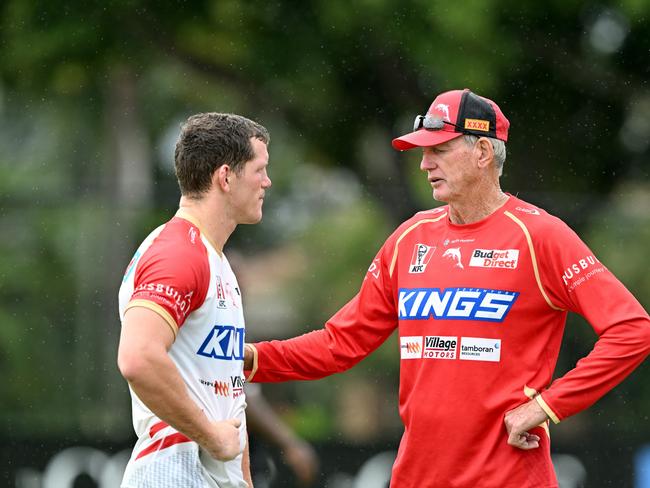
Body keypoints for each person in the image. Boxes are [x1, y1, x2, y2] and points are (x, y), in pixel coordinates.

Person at [243, 89, 650, 487]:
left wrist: (547, 406)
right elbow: (339, 344)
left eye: (438, 150)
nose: (424, 164)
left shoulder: (540, 235)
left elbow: (633, 330)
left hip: (508, 477)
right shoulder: (409, 238)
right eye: (423, 151)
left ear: (483, 153)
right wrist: (247, 358)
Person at [117, 112, 272, 488]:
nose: (267, 182)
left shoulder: (211, 257)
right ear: (225, 177)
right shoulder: (179, 253)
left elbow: (228, 396)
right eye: (259, 170)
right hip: (173, 472)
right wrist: (209, 434)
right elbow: (137, 357)